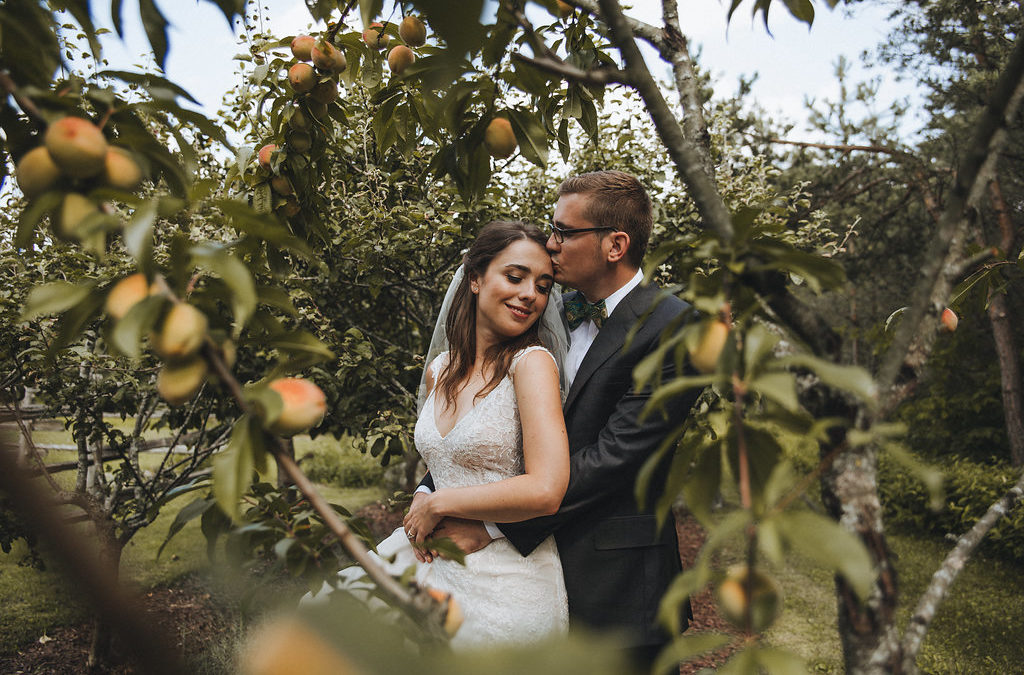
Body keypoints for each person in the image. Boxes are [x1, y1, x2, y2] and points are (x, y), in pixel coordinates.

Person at [416, 171, 697, 671]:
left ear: (615, 244)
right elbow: (484, 424)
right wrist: (431, 489)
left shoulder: (671, 325)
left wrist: (490, 523)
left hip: (616, 584)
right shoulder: (549, 313)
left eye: (565, 232)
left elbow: (618, 456)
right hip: (516, 574)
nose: (552, 242)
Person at [400, 219, 573, 649]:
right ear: (475, 279)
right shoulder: (438, 370)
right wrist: (424, 494)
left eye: (543, 285)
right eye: (515, 277)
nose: (530, 294)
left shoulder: (531, 364)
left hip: (508, 584)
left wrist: (440, 501)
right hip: (438, 570)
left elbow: (547, 489)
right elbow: (446, 460)